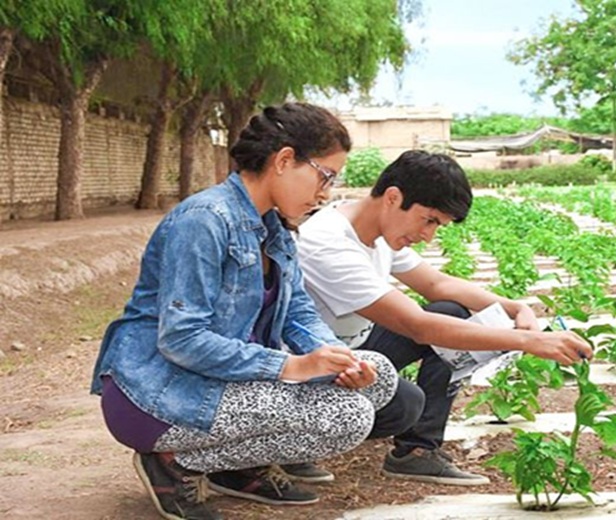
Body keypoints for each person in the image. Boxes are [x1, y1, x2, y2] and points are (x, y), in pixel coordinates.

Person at [90, 102, 399, 520]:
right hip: (160, 394)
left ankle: (233, 467)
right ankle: (172, 461)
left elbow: (298, 314)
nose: (325, 193)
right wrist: (291, 366)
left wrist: (335, 358)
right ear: (285, 160)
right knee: (348, 416)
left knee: (376, 376)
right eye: (324, 176)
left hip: (221, 384)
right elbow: (182, 338)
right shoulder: (204, 220)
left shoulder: (274, 226)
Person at [290, 150, 593, 486]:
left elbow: (438, 284)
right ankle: (293, 442)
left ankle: (416, 453)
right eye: (430, 220)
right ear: (393, 197)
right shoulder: (328, 242)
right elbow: (417, 327)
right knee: (406, 404)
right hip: (309, 365)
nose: (428, 235)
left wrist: (515, 308)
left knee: (451, 311)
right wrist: (531, 341)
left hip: (354, 348)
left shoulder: (376, 230)